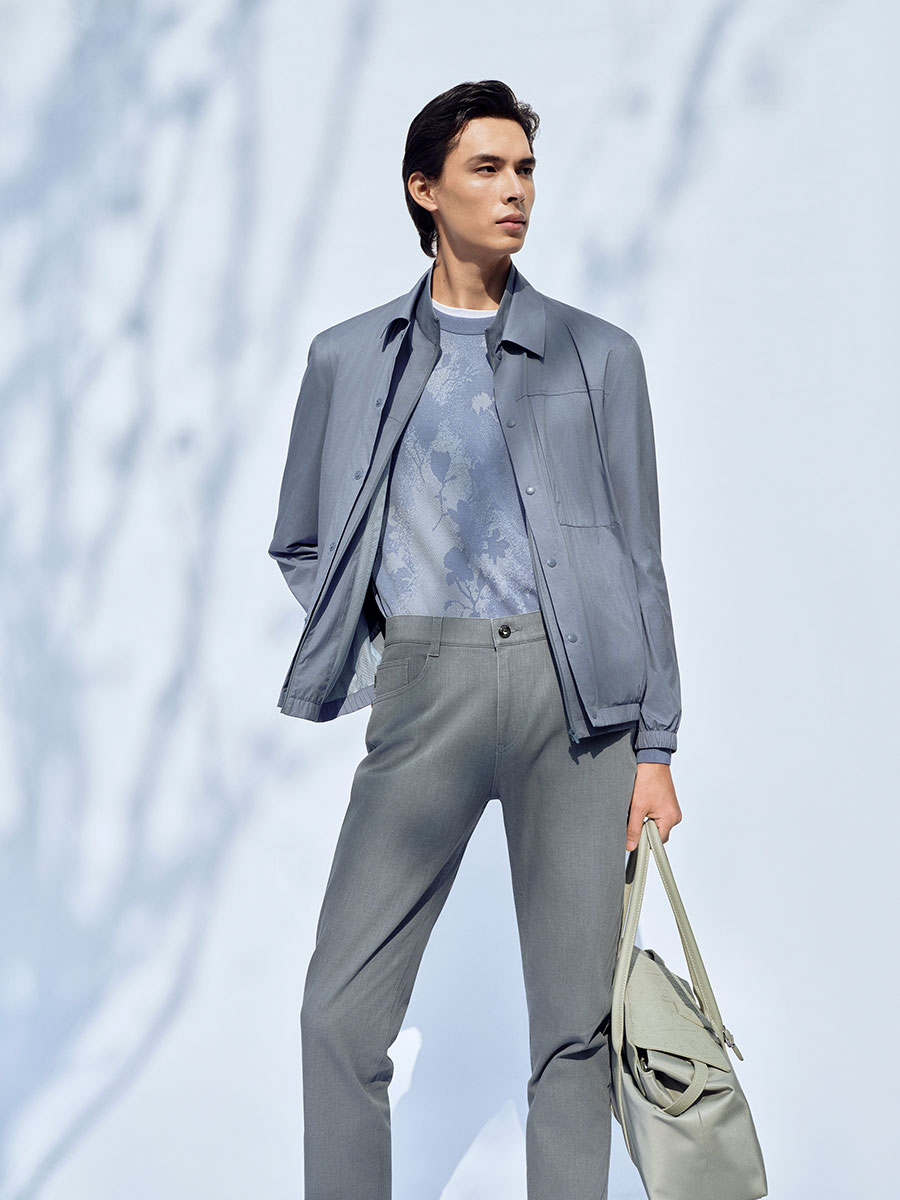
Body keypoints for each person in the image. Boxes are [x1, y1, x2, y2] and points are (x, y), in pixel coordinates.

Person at [268, 79, 683, 1200]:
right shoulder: (348, 357)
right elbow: (302, 540)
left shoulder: (601, 356)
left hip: (578, 705)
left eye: (526, 169)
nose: (516, 193)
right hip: (428, 689)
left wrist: (656, 746)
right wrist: (388, 657)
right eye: (487, 169)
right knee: (336, 1016)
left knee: (576, 1027)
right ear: (424, 189)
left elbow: (640, 558)